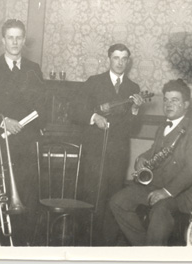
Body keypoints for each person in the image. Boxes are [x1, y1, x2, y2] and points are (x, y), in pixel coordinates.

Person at [109, 79, 192, 246]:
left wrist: (166, 192)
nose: (168, 104)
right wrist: (141, 158)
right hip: (157, 186)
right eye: (166, 100)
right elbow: (153, 151)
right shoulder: (162, 127)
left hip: (182, 194)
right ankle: (146, 248)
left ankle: (152, 251)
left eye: (174, 100)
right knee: (118, 202)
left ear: (186, 105)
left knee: (160, 210)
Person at [0, 19, 46, 246]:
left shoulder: (34, 69)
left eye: (19, 38)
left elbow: (41, 106)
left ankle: (24, 246)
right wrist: (3, 121)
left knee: (27, 197)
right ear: (3, 40)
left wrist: (24, 124)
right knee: (1, 194)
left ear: (24, 40)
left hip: (26, 143)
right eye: (10, 37)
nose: (15, 42)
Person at [72, 43, 145, 246]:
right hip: (95, 152)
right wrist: (94, 117)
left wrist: (135, 110)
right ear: (109, 59)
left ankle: (106, 246)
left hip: (118, 154)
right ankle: (84, 244)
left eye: (124, 59)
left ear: (128, 62)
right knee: (91, 196)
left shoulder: (133, 89)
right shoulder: (94, 82)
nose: (120, 62)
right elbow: (75, 110)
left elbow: (134, 129)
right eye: (116, 58)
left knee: (113, 199)